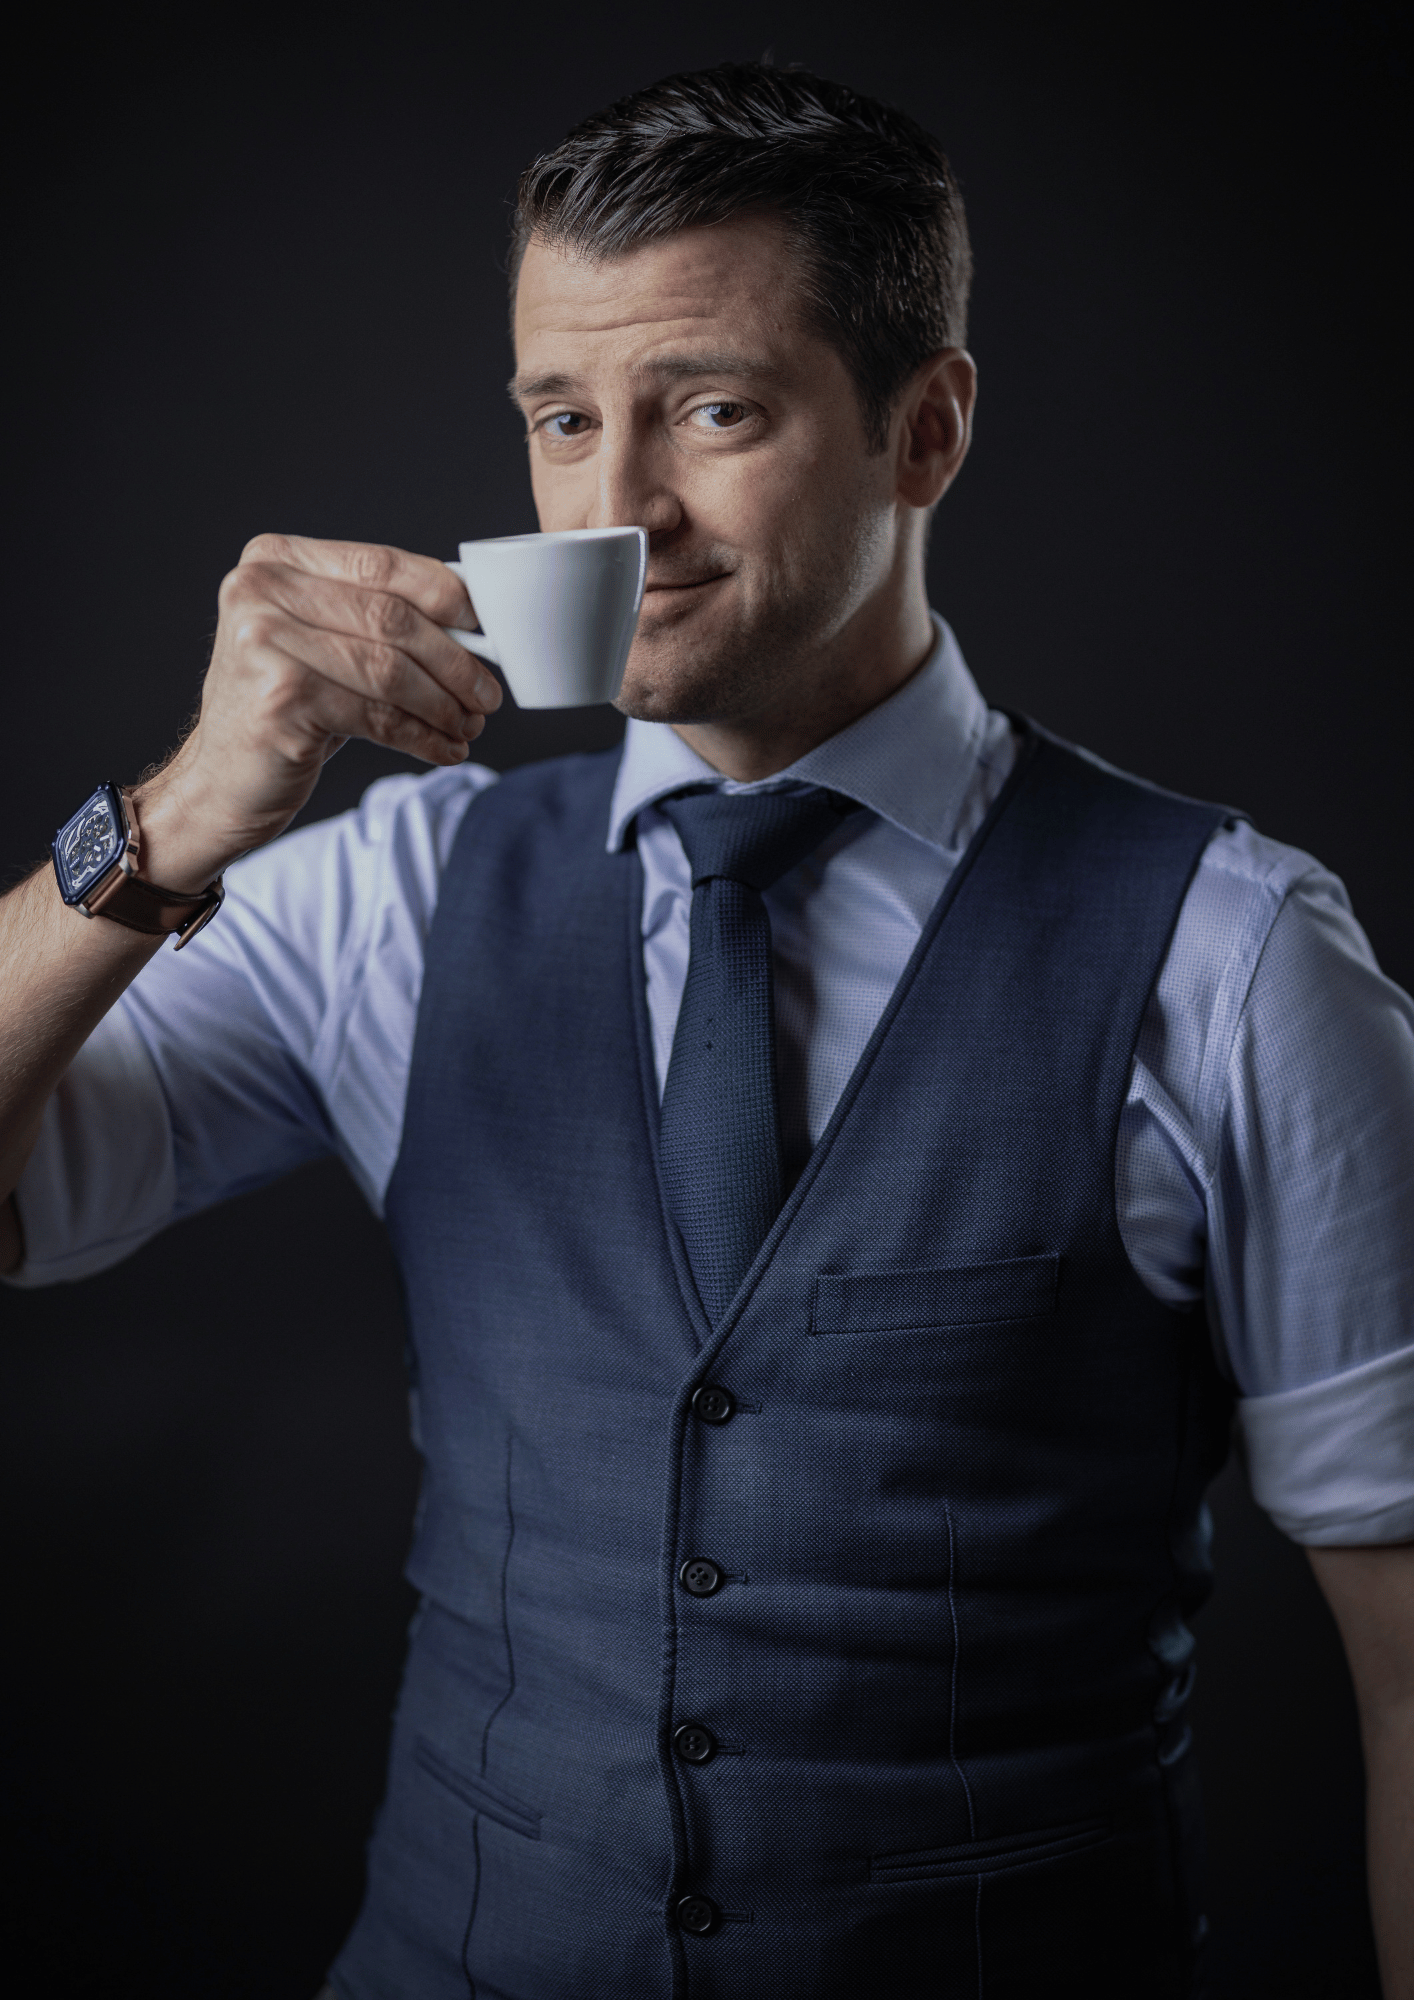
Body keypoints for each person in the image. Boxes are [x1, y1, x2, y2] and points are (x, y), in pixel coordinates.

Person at [2, 61, 1411, 2000]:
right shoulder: (391, 894)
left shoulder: (1236, 956)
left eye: (712, 411)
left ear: (924, 429)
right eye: (560, 418)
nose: (614, 509)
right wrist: (164, 826)